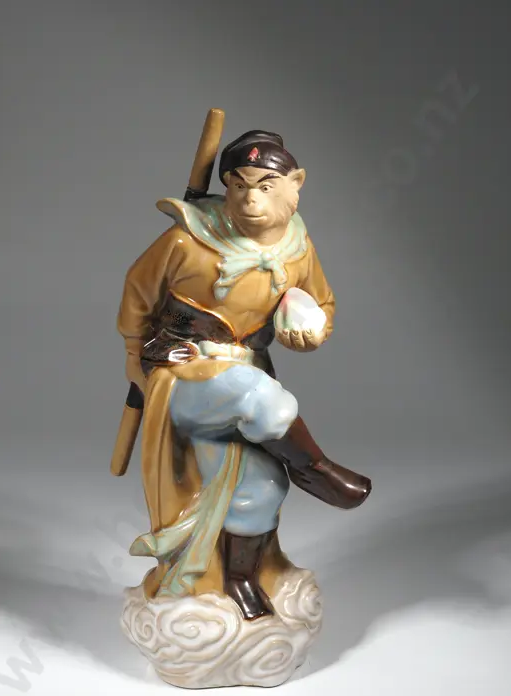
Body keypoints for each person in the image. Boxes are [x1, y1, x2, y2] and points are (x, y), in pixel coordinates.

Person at [116, 129, 372, 620]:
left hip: (246, 367)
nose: (251, 199)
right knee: (261, 397)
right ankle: (316, 468)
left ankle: (240, 580)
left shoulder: (297, 247)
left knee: (262, 487)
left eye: (266, 186)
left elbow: (322, 304)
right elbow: (137, 292)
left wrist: (310, 327)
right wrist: (137, 354)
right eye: (239, 185)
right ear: (227, 187)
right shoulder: (187, 240)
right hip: (184, 372)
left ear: (295, 185)